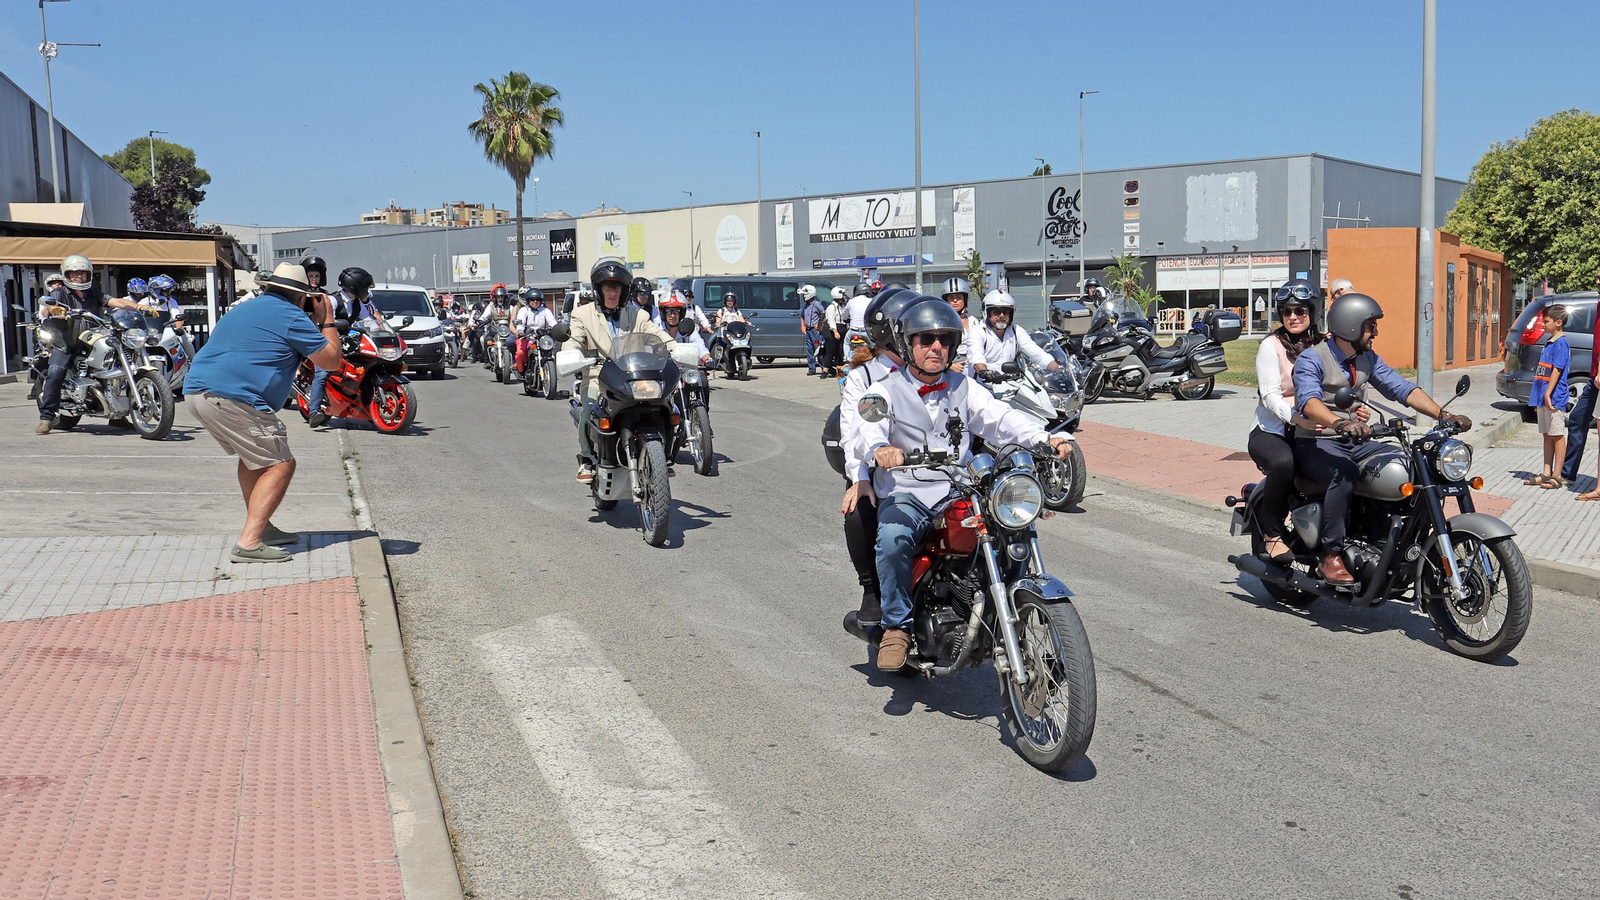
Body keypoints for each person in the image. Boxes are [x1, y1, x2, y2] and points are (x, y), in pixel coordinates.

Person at [858, 298, 1072, 670]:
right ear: (908, 343)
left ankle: (1007, 611)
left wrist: (1043, 438)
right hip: (907, 489)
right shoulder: (884, 390)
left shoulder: (963, 385)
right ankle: (896, 626)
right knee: (892, 538)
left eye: (944, 339)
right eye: (926, 339)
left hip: (958, 485)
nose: (936, 347)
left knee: (1008, 530)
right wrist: (880, 448)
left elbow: (999, 417)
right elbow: (866, 430)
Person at [1292, 292, 1471, 585]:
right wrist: (1339, 422)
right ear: (1350, 326)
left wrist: (1444, 415)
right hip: (1317, 441)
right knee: (1345, 472)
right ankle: (1331, 554)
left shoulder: (1366, 359)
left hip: (1355, 440)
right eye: (1370, 326)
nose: (1375, 332)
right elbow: (1308, 402)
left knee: (1402, 464)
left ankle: (1392, 540)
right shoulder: (1312, 359)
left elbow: (1401, 389)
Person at [183, 263, 343, 562]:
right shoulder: (291, 316)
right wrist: (327, 320)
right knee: (280, 464)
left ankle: (264, 528)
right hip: (233, 397)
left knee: (257, 461)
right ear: (302, 297)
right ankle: (249, 541)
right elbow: (331, 360)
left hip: (197, 392)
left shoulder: (247, 308)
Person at [837, 288, 918, 628]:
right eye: (913, 329)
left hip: (936, 469)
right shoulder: (863, 377)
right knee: (858, 510)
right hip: (880, 469)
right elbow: (853, 436)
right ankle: (872, 589)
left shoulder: (930, 369)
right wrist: (861, 478)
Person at [566, 258, 670, 482]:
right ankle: (586, 459)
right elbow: (573, 340)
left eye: (617, 287)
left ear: (624, 290)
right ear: (598, 289)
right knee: (589, 408)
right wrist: (571, 354)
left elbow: (657, 335)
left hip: (632, 375)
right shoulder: (582, 315)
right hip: (597, 376)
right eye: (607, 286)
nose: (612, 292)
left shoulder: (637, 315)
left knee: (665, 405)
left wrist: (676, 348)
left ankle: (661, 455)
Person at [1248, 279, 1329, 561]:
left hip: (1313, 430)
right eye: (1287, 312)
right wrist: (1297, 418)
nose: (1293, 317)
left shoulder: (1324, 345)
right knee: (1284, 463)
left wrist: (1357, 409)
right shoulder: (1271, 346)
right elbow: (1270, 396)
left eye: (1301, 311)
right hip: (1272, 431)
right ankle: (1272, 534)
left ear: (1313, 313)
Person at [34, 255, 140, 434]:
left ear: (89, 275)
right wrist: (57, 310)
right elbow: (50, 305)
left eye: (82, 274)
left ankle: (119, 415)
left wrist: (138, 308)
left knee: (115, 367)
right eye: (74, 274)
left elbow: (115, 301)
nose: (79, 277)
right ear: (66, 275)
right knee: (56, 371)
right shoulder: (60, 292)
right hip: (66, 341)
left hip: (91, 338)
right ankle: (46, 417)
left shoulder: (94, 292)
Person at [306, 267, 380, 427]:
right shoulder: (333, 300)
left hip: (345, 342)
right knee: (323, 373)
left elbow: (368, 321)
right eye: (364, 287)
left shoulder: (357, 303)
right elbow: (321, 321)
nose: (366, 291)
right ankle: (314, 411)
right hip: (323, 340)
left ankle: (365, 406)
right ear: (355, 286)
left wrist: (379, 330)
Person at [970, 290, 1058, 381]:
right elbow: (976, 356)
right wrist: (984, 372)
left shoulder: (1016, 331)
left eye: (1006, 312)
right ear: (986, 313)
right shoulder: (978, 331)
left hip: (1009, 384)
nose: (1001, 315)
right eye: (996, 312)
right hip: (983, 385)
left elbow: (1035, 351)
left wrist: (1056, 368)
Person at [1563, 272, 1600, 489]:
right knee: (1578, 418)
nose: (1596, 282)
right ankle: (1568, 473)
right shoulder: (1598, 304)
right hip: (1594, 376)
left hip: (1598, 376)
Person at [1527, 304, 1570, 490]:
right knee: (1547, 434)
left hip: (1554, 397)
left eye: (1546, 321)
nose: (1543, 325)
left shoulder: (1561, 343)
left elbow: (1558, 369)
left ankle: (1557, 475)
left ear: (1558, 323)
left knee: (1557, 434)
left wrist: (1548, 393)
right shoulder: (1550, 341)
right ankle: (1546, 471)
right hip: (1542, 396)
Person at [940, 276, 985, 374]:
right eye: (951, 298)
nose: (955, 301)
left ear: (965, 299)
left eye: (959, 297)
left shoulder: (973, 320)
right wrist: (949, 365)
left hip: (973, 363)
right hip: (953, 364)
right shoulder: (942, 322)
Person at [513, 288, 557, 374]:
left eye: (537, 299)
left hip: (542, 338)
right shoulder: (524, 310)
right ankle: (521, 372)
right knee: (520, 353)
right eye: (532, 300)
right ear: (528, 301)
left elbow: (552, 322)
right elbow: (520, 322)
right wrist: (520, 331)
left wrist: (557, 329)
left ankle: (550, 372)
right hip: (526, 337)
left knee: (551, 353)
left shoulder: (545, 310)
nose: (535, 301)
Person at [660, 294, 711, 366]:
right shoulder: (657, 329)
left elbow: (699, 345)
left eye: (676, 311)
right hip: (662, 369)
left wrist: (708, 359)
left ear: (682, 313)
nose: (672, 315)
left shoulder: (688, 327)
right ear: (663, 313)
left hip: (684, 370)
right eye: (668, 311)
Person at [799, 284, 826, 376]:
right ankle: (812, 368)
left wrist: (819, 325)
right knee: (809, 350)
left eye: (804, 294)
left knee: (818, 349)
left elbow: (823, 314)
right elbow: (802, 316)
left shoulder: (817, 304)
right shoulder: (806, 305)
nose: (803, 296)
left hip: (815, 332)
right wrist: (803, 326)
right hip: (808, 330)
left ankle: (824, 368)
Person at [823, 285, 849, 379]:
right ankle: (825, 371)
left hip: (842, 329)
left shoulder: (842, 306)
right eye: (843, 295)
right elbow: (831, 320)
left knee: (840, 351)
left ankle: (839, 370)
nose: (845, 297)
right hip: (833, 331)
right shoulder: (831, 307)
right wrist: (835, 331)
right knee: (830, 351)